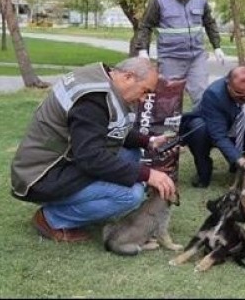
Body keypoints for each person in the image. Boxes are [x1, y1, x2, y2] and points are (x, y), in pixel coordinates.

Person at [10, 57, 177, 242]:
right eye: (145, 91)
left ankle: (83, 204)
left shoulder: (101, 79)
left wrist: (149, 141)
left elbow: (107, 127)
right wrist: (149, 175)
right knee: (131, 195)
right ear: (128, 77)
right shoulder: (93, 100)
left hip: (59, 162)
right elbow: (91, 158)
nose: (143, 99)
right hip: (41, 176)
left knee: (131, 154)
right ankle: (51, 219)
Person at [135, 0, 226, 109]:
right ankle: (168, 131)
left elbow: (209, 22)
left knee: (202, 97)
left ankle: (200, 128)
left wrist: (217, 47)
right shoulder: (158, 0)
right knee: (168, 100)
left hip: (196, 58)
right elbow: (145, 26)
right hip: (171, 58)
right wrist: (143, 51)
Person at [179, 65, 245, 188]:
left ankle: (243, 164)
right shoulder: (214, 94)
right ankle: (204, 172)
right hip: (216, 131)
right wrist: (242, 162)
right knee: (198, 128)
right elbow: (218, 136)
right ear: (228, 84)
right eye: (240, 94)